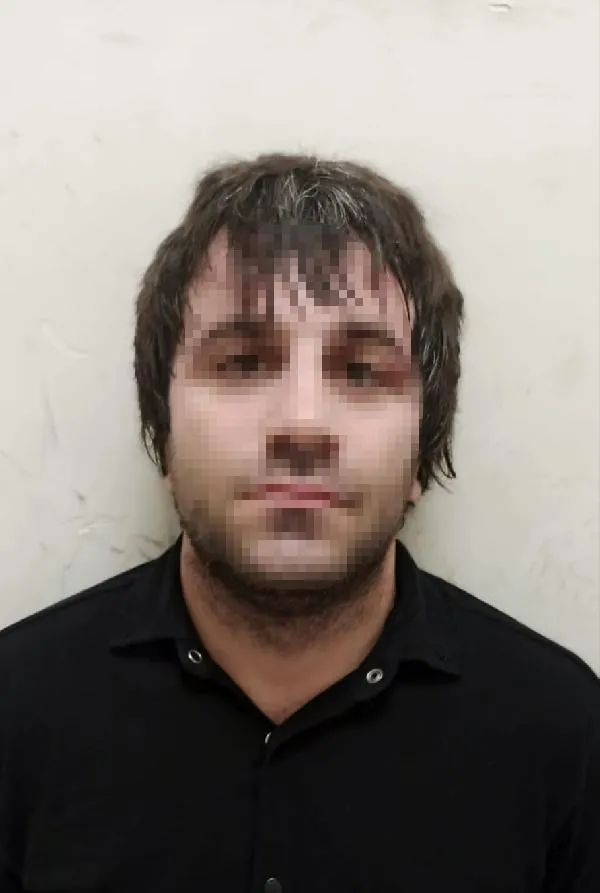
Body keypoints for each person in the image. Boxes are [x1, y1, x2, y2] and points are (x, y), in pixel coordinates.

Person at [0, 153, 598, 893]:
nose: (303, 424)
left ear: (422, 451)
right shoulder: (16, 714)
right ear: (163, 432)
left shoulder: (561, 734)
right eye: (243, 363)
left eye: (362, 371)